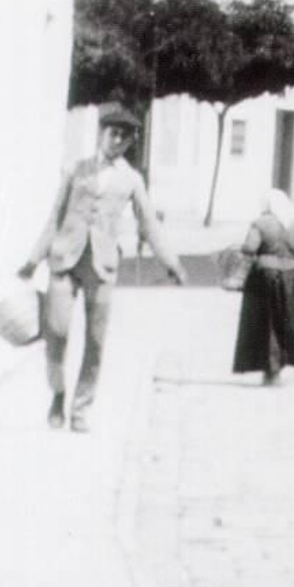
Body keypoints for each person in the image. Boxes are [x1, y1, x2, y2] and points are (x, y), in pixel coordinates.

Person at [20, 103, 187, 432]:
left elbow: (149, 225)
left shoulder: (131, 180)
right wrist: (33, 259)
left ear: (129, 142)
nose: (118, 140)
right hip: (65, 259)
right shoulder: (76, 169)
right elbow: (54, 217)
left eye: (125, 137)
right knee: (56, 331)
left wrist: (173, 264)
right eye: (113, 133)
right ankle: (57, 392)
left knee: (96, 342)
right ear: (101, 133)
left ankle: (81, 409)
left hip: (102, 267)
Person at [232, 187, 294, 385]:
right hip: (292, 279)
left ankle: (270, 370)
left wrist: (239, 274)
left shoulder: (261, 223)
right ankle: (280, 366)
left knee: (266, 324)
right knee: (285, 322)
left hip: (265, 278)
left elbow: (249, 250)